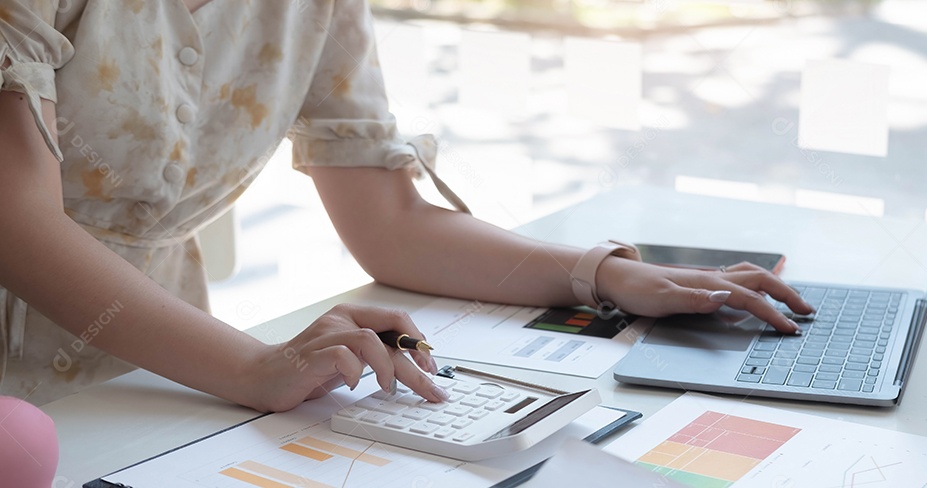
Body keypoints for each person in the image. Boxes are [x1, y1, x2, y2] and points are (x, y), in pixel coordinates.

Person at [0, 0, 813, 416]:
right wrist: (250, 365)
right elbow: (16, 223)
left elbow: (388, 221)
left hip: (160, 378)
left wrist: (599, 276)